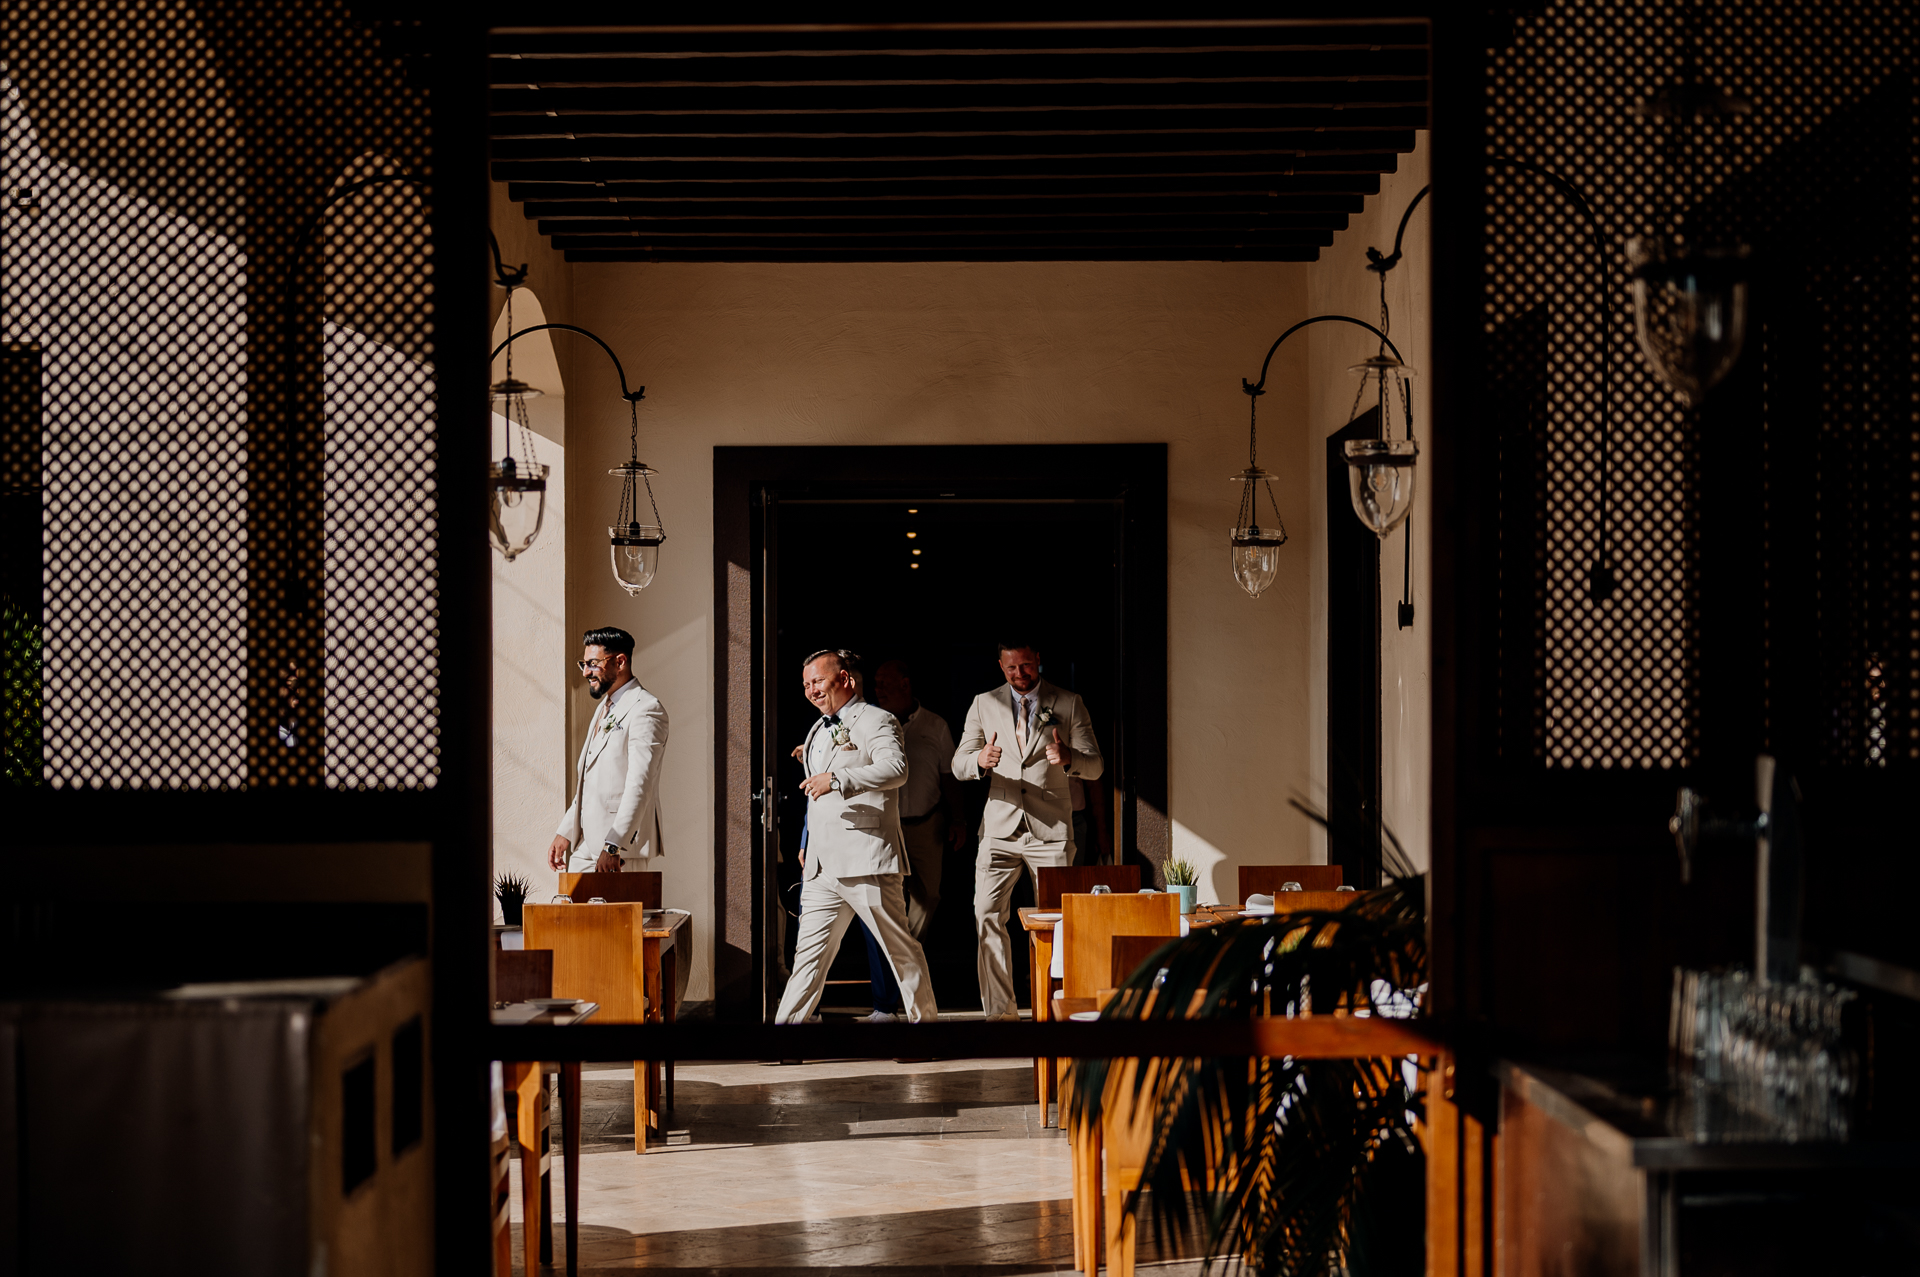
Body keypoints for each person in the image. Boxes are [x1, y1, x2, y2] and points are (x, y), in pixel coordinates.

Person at [774, 649, 938, 1024]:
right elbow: (813, 795)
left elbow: (896, 768)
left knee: (900, 950)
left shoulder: (877, 719)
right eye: (805, 685)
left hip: (866, 857)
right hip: (820, 865)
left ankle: (925, 1030)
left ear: (844, 679)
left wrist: (838, 779)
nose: (811, 690)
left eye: (817, 681)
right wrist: (805, 841)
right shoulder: (817, 727)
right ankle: (786, 1036)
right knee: (809, 957)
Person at [952, 639, 1104, 1021]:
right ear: (1000, 667)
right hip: (999, 828)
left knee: (1058, 923)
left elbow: (1096, 766)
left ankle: (1056, 1010)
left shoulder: (1069, 702)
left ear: (1039, 661)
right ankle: (1000, 1017)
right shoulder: (983, 703)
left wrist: (1069, 758)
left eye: (1026, 666)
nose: (1019, 675)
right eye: (1011, 668)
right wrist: (979, 761)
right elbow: (958, 763)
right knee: (985, 914)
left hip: (1050, 830)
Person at [849, 658, 964, 1017]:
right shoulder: (867, 722)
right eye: (876, 682)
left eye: (885, 681)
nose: (878, 688)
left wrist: (958, 818)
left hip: (926, 824)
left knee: (928, 899)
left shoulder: (935, 725)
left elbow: (949, 776)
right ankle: (895, 984)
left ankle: (903, 961)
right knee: (883, 905)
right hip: (883, 828)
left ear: (906, 683)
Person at [549, 626, 669, 874]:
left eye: (593, 664)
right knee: (572, 911)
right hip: (586, 846)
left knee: (620, 915)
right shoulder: (606, 706)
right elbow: (590, 779)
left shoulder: (646, 709)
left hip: (620, 851)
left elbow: (640, 784)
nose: (585, 672)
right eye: (584, 663)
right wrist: (566, 831)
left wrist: (614, 845)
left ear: (620, 661)